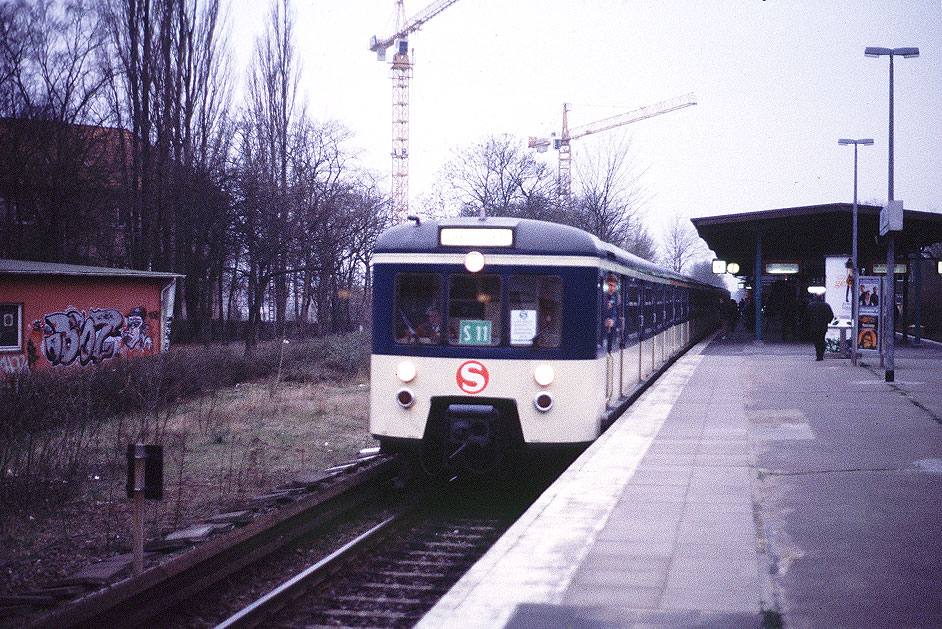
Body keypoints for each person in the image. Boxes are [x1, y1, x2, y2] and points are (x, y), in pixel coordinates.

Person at [805, 294, 834, 361]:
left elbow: (807, 316)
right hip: (823, 326)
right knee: (822, 339)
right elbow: (831, 315)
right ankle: (821, 354)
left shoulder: (811, 305)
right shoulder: (826, 305)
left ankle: (818, 354)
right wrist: (827, 321)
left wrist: (809, 323)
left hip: (814, 326)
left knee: (816, 340)